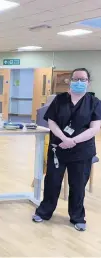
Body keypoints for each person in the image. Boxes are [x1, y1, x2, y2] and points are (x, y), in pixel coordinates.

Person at [32, 68, 101, 231]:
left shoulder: (94, 102)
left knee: (78, 185)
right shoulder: (59, 100)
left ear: (88, 82)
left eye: (82, 79)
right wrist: (64, 139)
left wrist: (73, 141)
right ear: (70, 81)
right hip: (59, 148)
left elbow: (94, 128)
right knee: (52, 182)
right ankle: (44, 212)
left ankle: (77, 217)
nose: (79, 82)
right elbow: (51, 122)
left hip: (82, 150)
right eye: (76, 79)